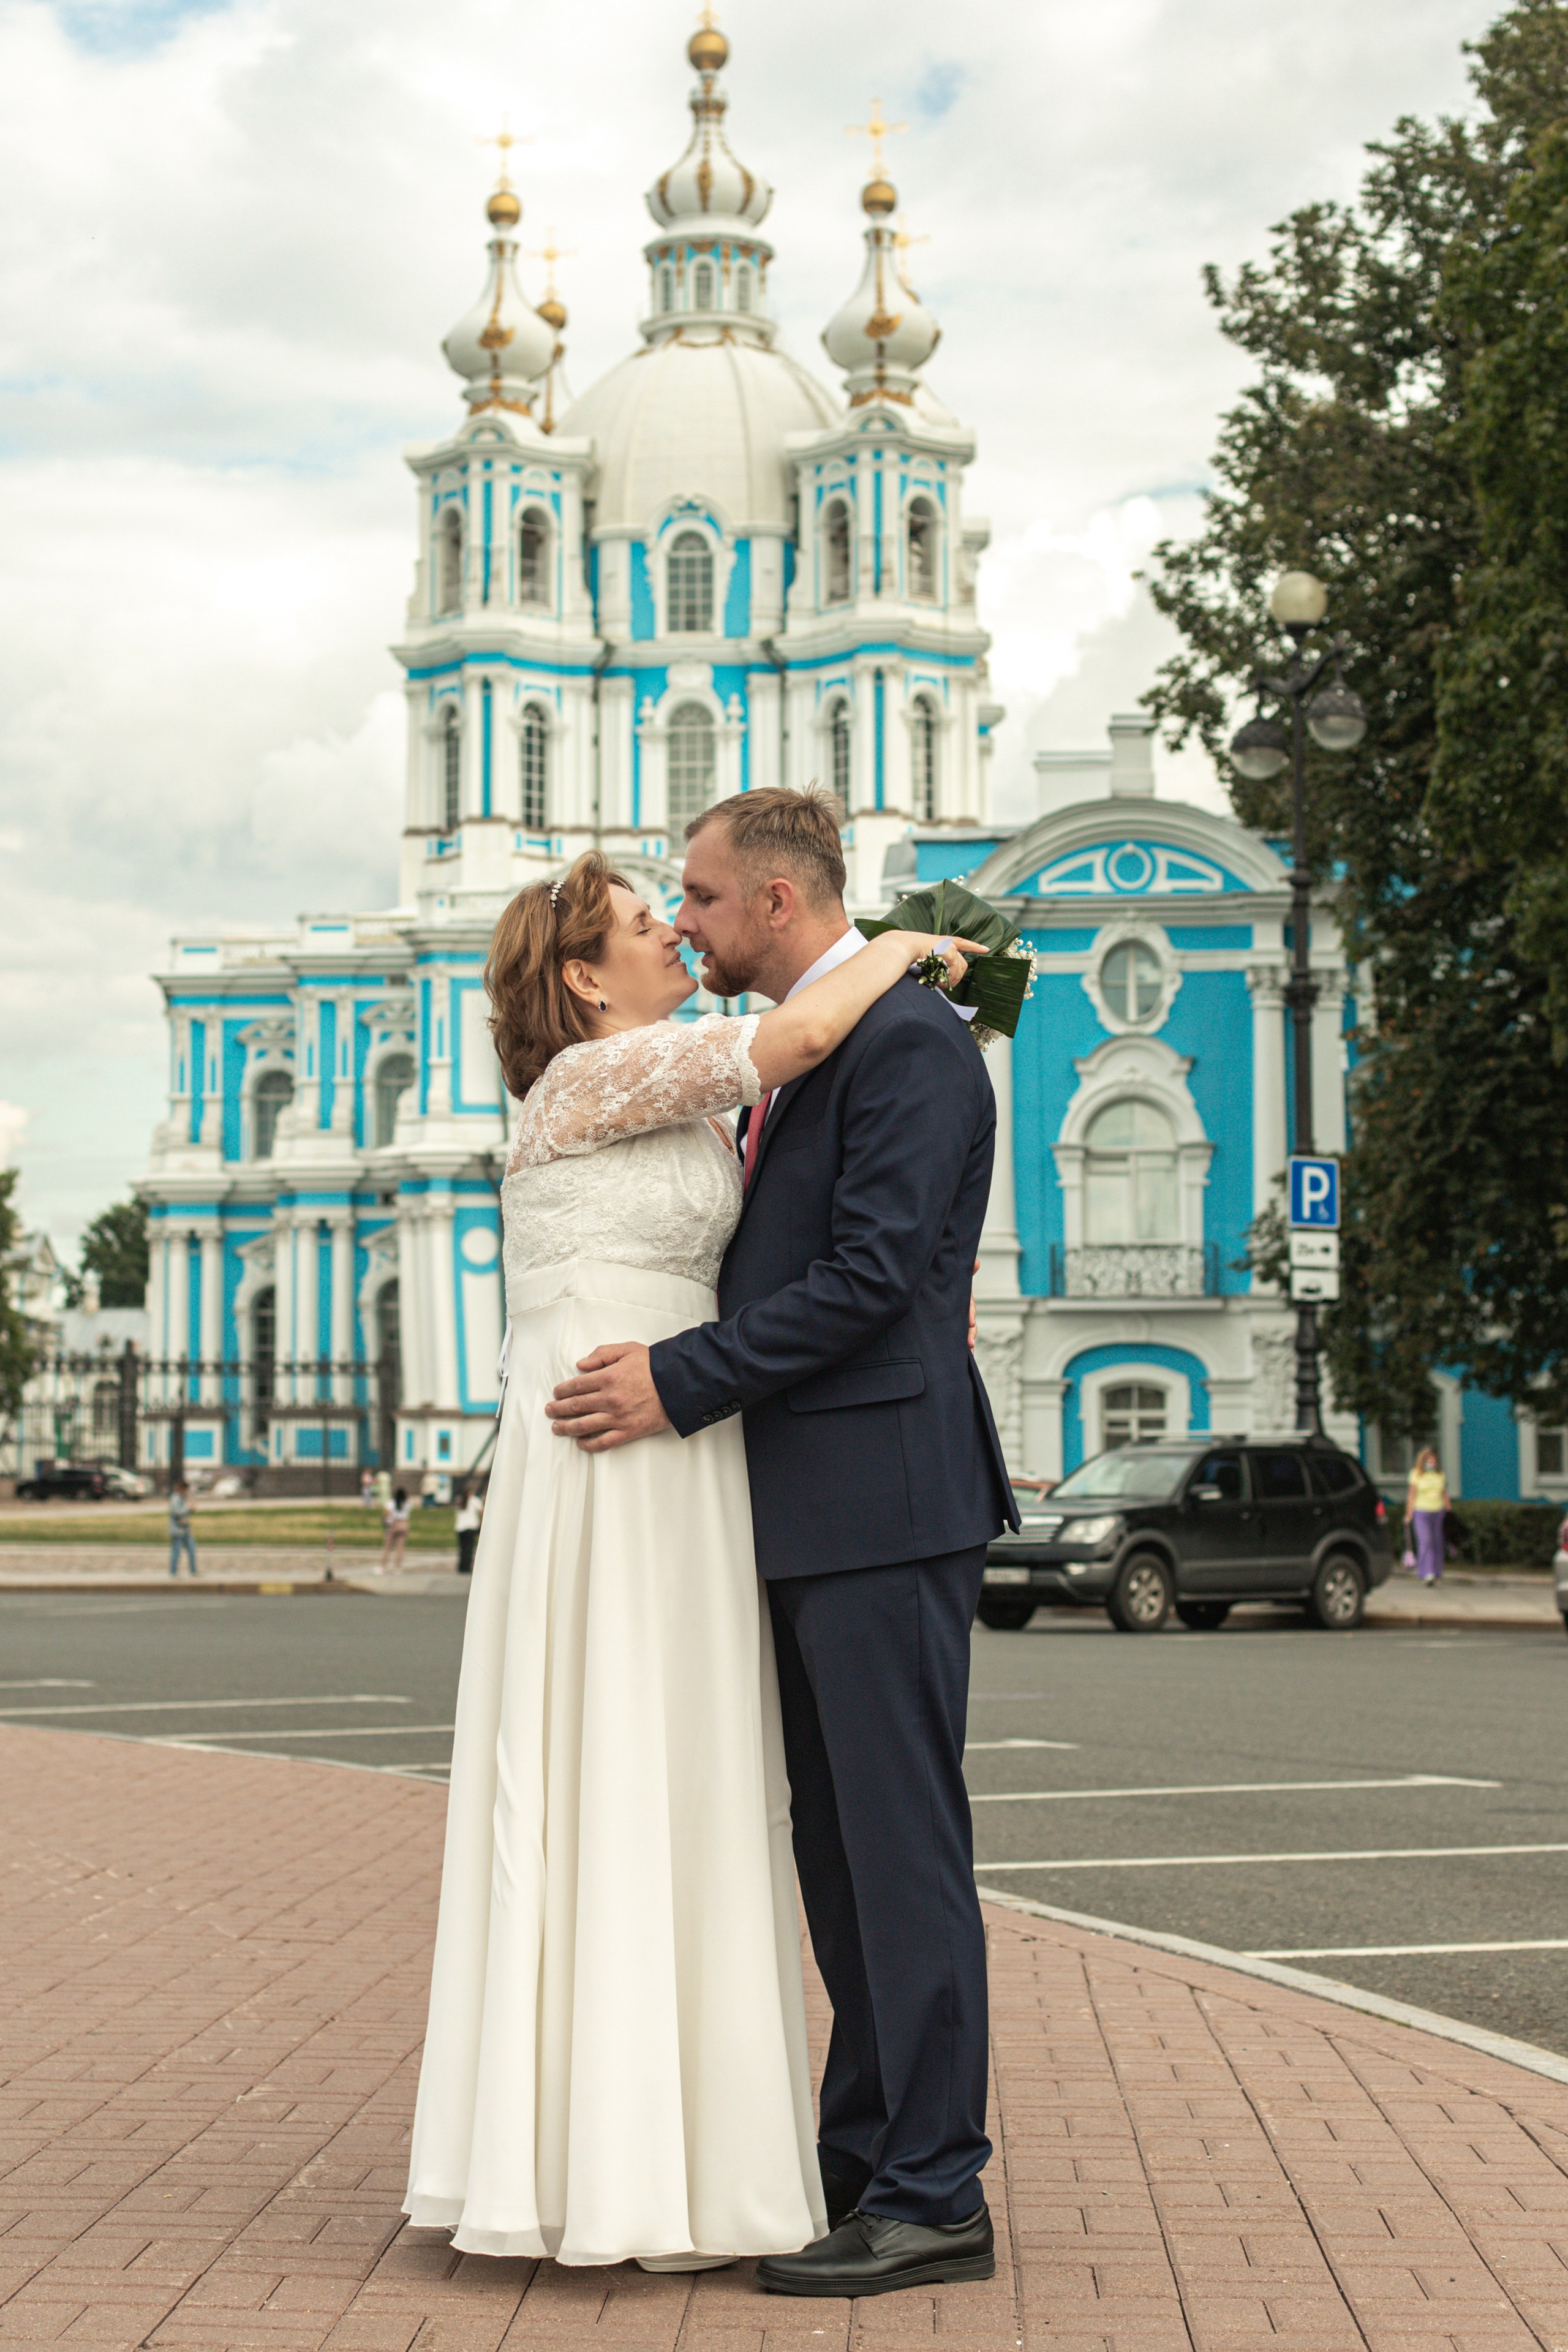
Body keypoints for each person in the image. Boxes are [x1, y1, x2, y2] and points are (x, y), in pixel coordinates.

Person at [402, 828, 987, 2276]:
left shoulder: (895, 1036)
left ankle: (928, 2190)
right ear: (587, 988)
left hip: (845, 1488)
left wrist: (698, 1374)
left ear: (774, 897)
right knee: (816, 1847)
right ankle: (847, 2158)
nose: (683, 926)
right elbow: (806, 1193)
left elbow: (867, 1266)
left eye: (699, 901)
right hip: (696, 1481)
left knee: (887, 1848)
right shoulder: (637, 1075)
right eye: (651, 916)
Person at [1405, 1446, 1449, 1583]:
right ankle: (1426, 1572)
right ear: (1423, 1460)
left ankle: (1437, 1572)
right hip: (1421, 1511)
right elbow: (1412, 1494)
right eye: (1429, 1459)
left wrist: (1449, 1511)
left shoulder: (1440, 1474)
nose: (1432, 1462)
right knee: (1426, 1541)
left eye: (1434, 1459)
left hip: (1438, 1511)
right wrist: (1409, 1513)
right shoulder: (1416, 1474)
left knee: (1438, 1542)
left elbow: (1444, 1494)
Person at [168, 1482, 197, 1578]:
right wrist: (188, 1509)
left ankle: (193, 1571)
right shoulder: (175, 1499)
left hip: (185, 1530)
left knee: (192, 1550)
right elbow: (176, 1512)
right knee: (176, 1552)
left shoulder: (182, 1499)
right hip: (177, 1531)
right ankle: (173, 1571)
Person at [454, 1482, 482, 1576]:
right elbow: (480, 1511)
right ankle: (467, 1567)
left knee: (462, 1548)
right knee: (469, 1549)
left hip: (460, 1527)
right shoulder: (475, 1500)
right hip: (471, 1527)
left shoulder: (460, 1501)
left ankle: (461, 1567)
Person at [380, 1485, 410, 1573]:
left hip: (394, 1524)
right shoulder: (407, 1504)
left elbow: (385, 1514)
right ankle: (398, 1567)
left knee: (388, 1546)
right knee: (400, 1547)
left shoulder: (391, 1503)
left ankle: (383, 1566)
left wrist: (385, 1521)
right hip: (404, 1524)